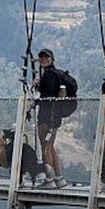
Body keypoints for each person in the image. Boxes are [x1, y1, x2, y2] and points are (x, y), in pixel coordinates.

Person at [35, 48, 67, 189]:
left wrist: (37, 86)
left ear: (52, 59)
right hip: (56, 116)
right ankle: (59, 178)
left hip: (47, 116)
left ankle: (49, 180)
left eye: (46, 57)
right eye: (41, 57)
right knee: (50, 147)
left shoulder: (49, 75)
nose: (44, 59)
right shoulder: (58, 74)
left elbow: (46, 95)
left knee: (45, 147)